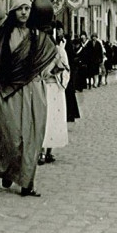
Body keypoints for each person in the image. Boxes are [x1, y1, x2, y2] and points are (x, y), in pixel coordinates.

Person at [0, 0, 60, 197]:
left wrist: (44, 73)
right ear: (12, 12)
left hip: (31, 90)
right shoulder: (3, 30)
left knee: (31, 137)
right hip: (9, 91)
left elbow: (53, 57)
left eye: (27, 8)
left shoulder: (36, 34)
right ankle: (8, 170)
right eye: (19, 9)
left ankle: (27, 182)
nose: (24, 12)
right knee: (11, 135)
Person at [39, 22, 71, 165]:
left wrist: (57, 70)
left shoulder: (60, 51)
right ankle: (40, 151)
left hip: (55, 88)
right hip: (43, 88)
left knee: (54, 119)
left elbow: (66, 69)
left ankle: (49, 151)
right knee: (43, 119)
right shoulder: (39, 52)